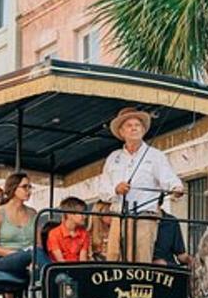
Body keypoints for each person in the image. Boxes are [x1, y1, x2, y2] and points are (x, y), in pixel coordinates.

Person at [98, 107, 183, 263]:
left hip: (145, 216)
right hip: (118, 215)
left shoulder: (155, 155)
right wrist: (116, 190)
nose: (134, 128)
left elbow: (168, 178)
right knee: (114, 257)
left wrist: (176, 188)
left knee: (141, 259)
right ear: (121, 132)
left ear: (143, 130)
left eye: (137, 125)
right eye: (129, 125)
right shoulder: (113, 157)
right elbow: (103, 189)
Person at [0, 172, 50, 280]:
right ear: (13, 188)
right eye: (25, 187)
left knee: (36, 256)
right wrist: (17, 254)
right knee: (33, 252)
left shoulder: (33, 213)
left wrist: (30, 258)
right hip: (7, 258)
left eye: (30, 187)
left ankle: (40, 294)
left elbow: (39, 244)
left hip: (32, 257)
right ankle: (57, 277)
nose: (29, 191)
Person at [47, 197, 92, 263]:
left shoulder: (84, 234)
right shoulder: (54, 234)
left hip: (77, 268)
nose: (85, 216)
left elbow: (83, 259)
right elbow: (60, 260)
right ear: (69, 214)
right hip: (59, 269)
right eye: (81, 213)